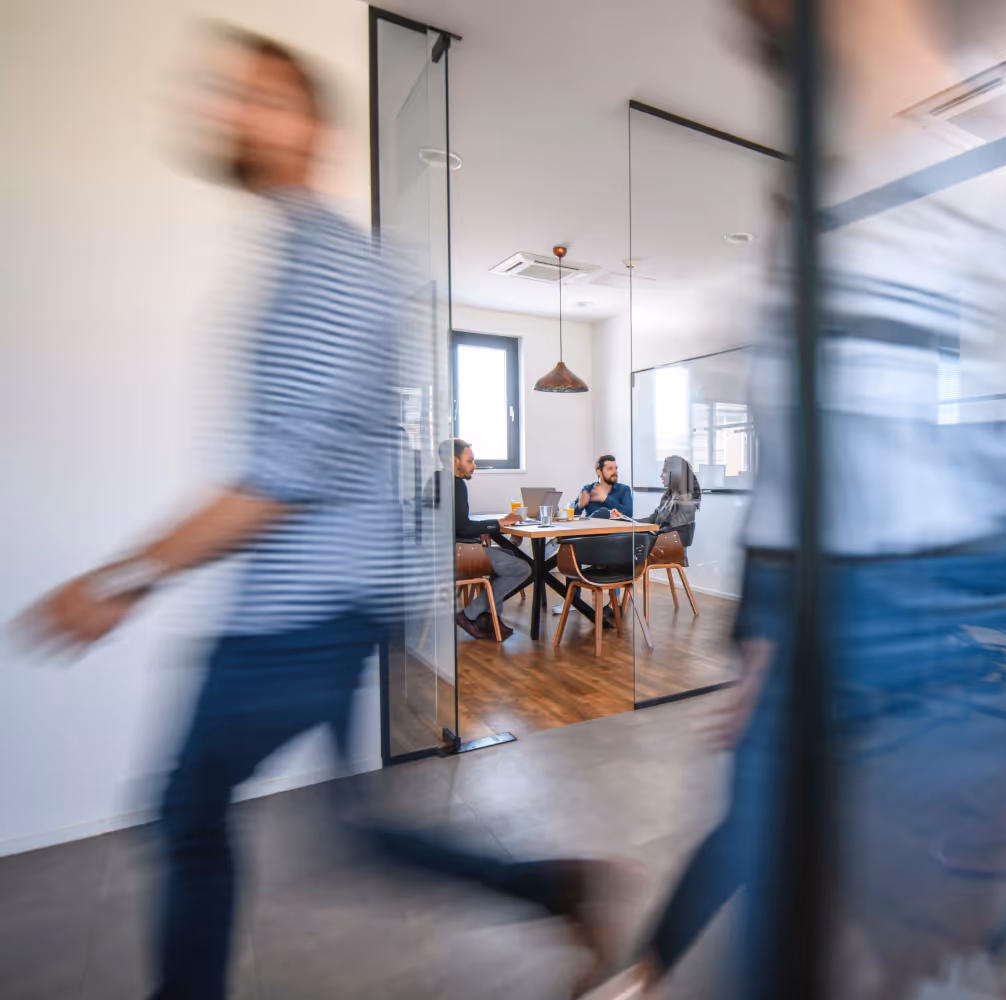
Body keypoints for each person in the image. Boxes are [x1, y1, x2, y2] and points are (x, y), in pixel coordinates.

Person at [16, 28, 625, 999]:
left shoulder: (328, 269)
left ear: (312, 128)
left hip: (306, 607)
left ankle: (558, 885)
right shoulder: (313, 258)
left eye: (262, 96)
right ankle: (559, 886)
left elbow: (278, 477)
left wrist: (120, 579)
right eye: (229, 94)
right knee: (345, 832)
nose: (232, 110)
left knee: (189, 814)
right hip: (333, 594)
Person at [588, 0, 1006, 996]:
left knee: (972, 876)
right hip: (837, 591)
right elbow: (803, 452)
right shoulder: (822, 202)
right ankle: (643, 972)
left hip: (918, 588)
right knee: (774, 831)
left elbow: (921, 439)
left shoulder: (940, 165)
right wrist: (765, 628)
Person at [441, 438, 530, 641]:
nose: (474, 465)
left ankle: (490, 617)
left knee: (506, 555)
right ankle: (470, 614)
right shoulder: (455, 484)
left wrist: (483, 528)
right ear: (455, 461)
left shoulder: (437, 481)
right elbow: (462, 526)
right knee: (522, 568)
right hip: (457, 554)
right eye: (470, 460)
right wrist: (498, 524)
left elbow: (453, 523)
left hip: (442, 552)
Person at [638, 455, 700, 536]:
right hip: (659, 541)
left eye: (664, 471)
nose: (661, 475)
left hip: (667, 546)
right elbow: (651, 520)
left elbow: (672, 533)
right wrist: (627, 520)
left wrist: (649, 534)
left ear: (675, 474)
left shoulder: (685, 501)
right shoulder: (668, 496)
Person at [577, 454, 632, 518]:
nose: (615, 472)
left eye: (615, 468)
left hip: (615, 527)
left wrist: (606, 499)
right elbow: (572, 516)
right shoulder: (588, 489)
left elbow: (629, 513)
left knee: (604, 512)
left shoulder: (624, 489)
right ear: (599, 472)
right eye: (610, 468)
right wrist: (579, 506)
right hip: (593, 527)